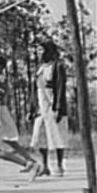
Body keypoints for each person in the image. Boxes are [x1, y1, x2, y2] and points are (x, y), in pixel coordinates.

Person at [0, 56, 43, 178]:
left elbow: (0, 93)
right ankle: (30, 161)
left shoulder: (1, 79)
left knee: (4, 140)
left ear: (1, 66)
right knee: (2, 140)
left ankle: (29, 161)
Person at [29, 41, 68, 177]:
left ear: (49, 52)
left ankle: (59, 165)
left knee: (57, 135)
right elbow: (35, 89)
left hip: (52, 103)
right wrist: (32, 108)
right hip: (41, 106)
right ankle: (44, 165)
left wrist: (58, 108)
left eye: (43, 50)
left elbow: (60, 87)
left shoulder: (57, 66)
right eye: (39, 51)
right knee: (41, 135)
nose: (40, 53)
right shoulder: (39, 68)